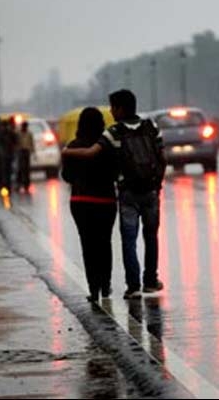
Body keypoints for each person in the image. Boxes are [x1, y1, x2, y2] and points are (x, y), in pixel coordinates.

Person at [62, 90, 166, 299]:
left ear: (120, 108)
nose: (111, 111)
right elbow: (162, 158)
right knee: (140, 238)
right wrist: (157, 185)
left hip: (97, 199)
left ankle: (114, 287)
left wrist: (67, 152)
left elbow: (75, 168)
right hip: (120, 198)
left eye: (113, 107)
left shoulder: (112, 134)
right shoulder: (151, 127)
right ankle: (146, 281)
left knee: (107, 242)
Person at [61, 107, 118, 302]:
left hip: (81, 201)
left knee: (88, 244)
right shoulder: (106, 145)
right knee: (105, 243)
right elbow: (115, 173)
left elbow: (66, 176)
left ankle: (93, 288)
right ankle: (105, 285)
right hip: (106, 201)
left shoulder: (72, 146)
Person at [16, 121, 35, 192]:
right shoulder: (18, 133)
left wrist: (33, 151)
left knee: (27, 168)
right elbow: (16, 142)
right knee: (20, 168)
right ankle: (19, 183)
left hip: (27, 151)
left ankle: (26, 184)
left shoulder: (29, 134)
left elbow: (31, 142)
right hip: (21, 151)